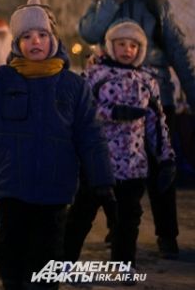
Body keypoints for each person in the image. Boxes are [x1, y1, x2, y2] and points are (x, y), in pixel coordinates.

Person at [0, 0, 114, 290]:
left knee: (46, 257)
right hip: (12, 187)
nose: (34, 41)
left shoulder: (73, 86)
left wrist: (101, 179)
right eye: (26, 36)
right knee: (8, 253)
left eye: (41, 35)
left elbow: (91, 135)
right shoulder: (3, 79)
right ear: (17, 43)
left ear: (53, 39)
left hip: (54, 192)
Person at [78, 0, 195, 259]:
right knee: (111, 168)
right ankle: (117, 231)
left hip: (153, 95)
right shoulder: (105, 0)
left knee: (160, 168)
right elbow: (89, 32)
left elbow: (178, 50)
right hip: (112, 99)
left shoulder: (156, 4)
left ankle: (166, 234)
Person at [64, 19, 176, 272]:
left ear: (141, 49)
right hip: (98, 162)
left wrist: (166, 158)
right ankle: (63, 261)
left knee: (128, 218)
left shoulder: (147, 80)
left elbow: (157, 124)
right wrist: (111, 111)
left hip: (133, 165)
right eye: (121, 44)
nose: (127, 50)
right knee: (82, 214)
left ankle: (123, 264)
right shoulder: (95, 76)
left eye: (133, 45)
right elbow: (80, 112)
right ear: (110, 46)